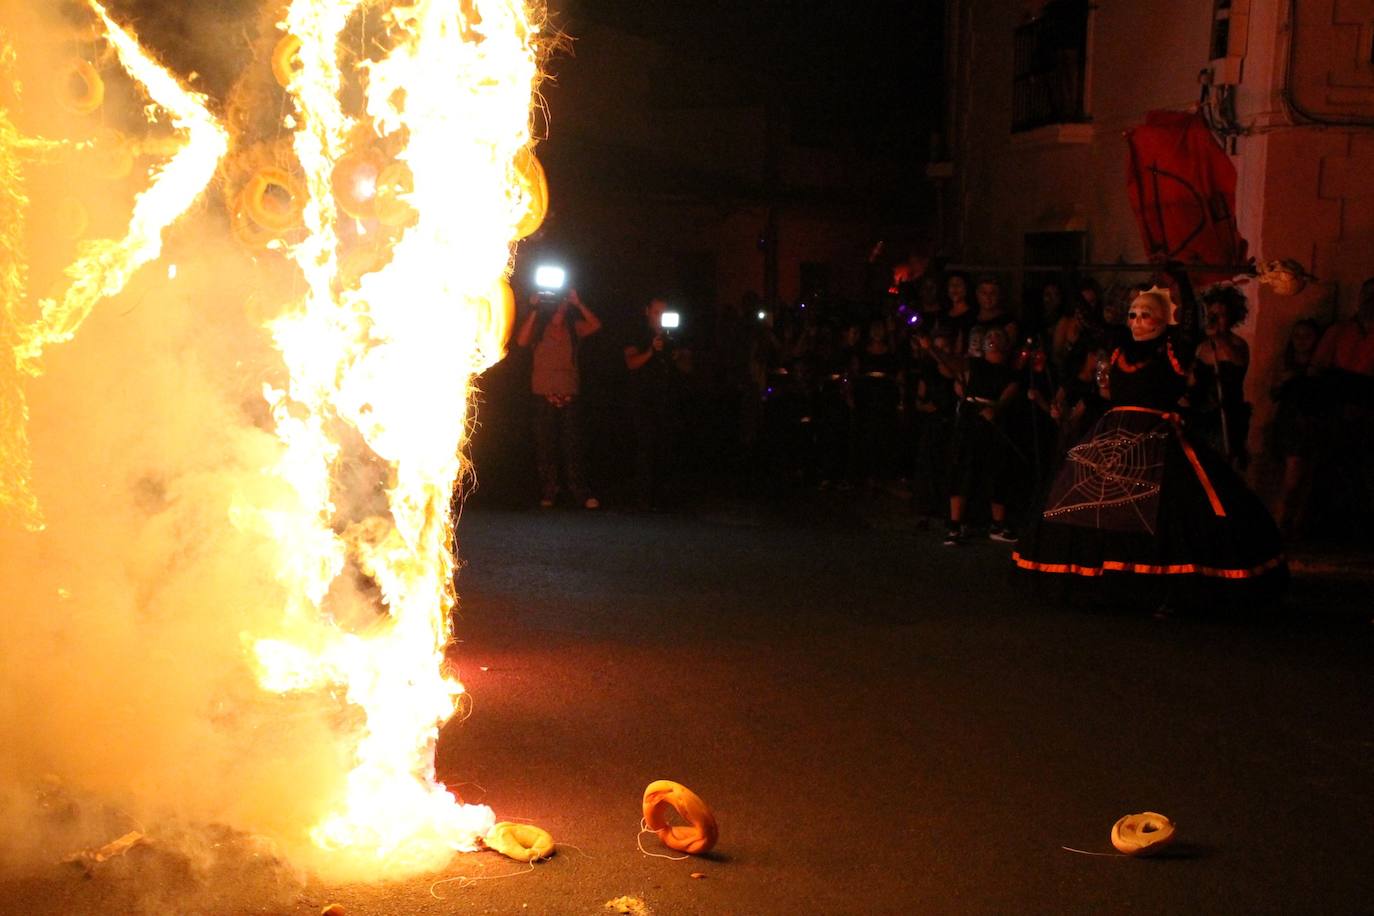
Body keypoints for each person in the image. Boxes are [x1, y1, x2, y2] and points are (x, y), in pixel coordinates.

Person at [1012, 278, 1286, 605]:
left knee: (1168, 509)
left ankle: (1159, 586)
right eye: (1133, 315)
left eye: (1147, 315)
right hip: (1111, 435)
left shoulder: (1174, 350)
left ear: (1164, 320)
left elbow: (1189, 322)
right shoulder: (1117, 346)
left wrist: (1178, 277)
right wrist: (1071, 276)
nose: (1138, 321)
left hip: (1158, 438)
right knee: (1081, 502)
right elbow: (1089, 319)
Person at [919, 326, 1022, 545]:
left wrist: (996, 409)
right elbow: (949, 364)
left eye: (998, 336)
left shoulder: (1010, 373)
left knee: (997, 470)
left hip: (993, 423)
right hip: (969, 420)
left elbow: (1008, 395)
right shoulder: (973, 364)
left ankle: (998, 525)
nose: (993, 338)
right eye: (990, 336)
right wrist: (932, 350)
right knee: (962, 468)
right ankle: (955, 526)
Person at [514, 287, 602, 508]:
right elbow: (522, 341)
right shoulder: (539, 326)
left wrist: (578, 302)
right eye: (557, 299)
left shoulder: (574, 328)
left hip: (569, 394)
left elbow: (596, 325)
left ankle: (579, 491)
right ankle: (549, 491)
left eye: (563, 299)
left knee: (573, 446)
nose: (560, 303)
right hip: (543, 394)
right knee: (545, 446)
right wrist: (535, 307)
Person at [624, 297, 690, 510]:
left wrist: (678, 356)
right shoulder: (638, 333)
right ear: (647, 312)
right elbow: (631, 363)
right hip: (643, 401)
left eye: (664, 312)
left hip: (668, 399)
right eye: (656, 312)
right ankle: (643, 498)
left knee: (667, 448)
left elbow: (688, 368)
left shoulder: (676, 335)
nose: (660, 317)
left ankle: (665, 498)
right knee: (645, 448)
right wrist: (652, 351)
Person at [1267, 318, 1324, 537]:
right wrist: (1285, 380)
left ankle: (1295, 525)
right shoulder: (1285, 365)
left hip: (1314, 424)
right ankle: (1278, 524)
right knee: (1291, 478)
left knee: (1307, 479)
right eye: (1297, 336)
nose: (1301, 341)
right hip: (1291, 425)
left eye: (1307, 336)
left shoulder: (1321, 366)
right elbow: (1274, 394)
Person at [1188, 284, 1252, 468]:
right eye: (1212, 315)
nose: (1214, 319)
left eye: (1220, 315)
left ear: (1231, 317)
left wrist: (1218, 338)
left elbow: (1238, 362)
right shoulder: (1201, 347)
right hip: (1200, 416)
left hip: (1226, 418)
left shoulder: (1238, 344)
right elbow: (1192, 381)